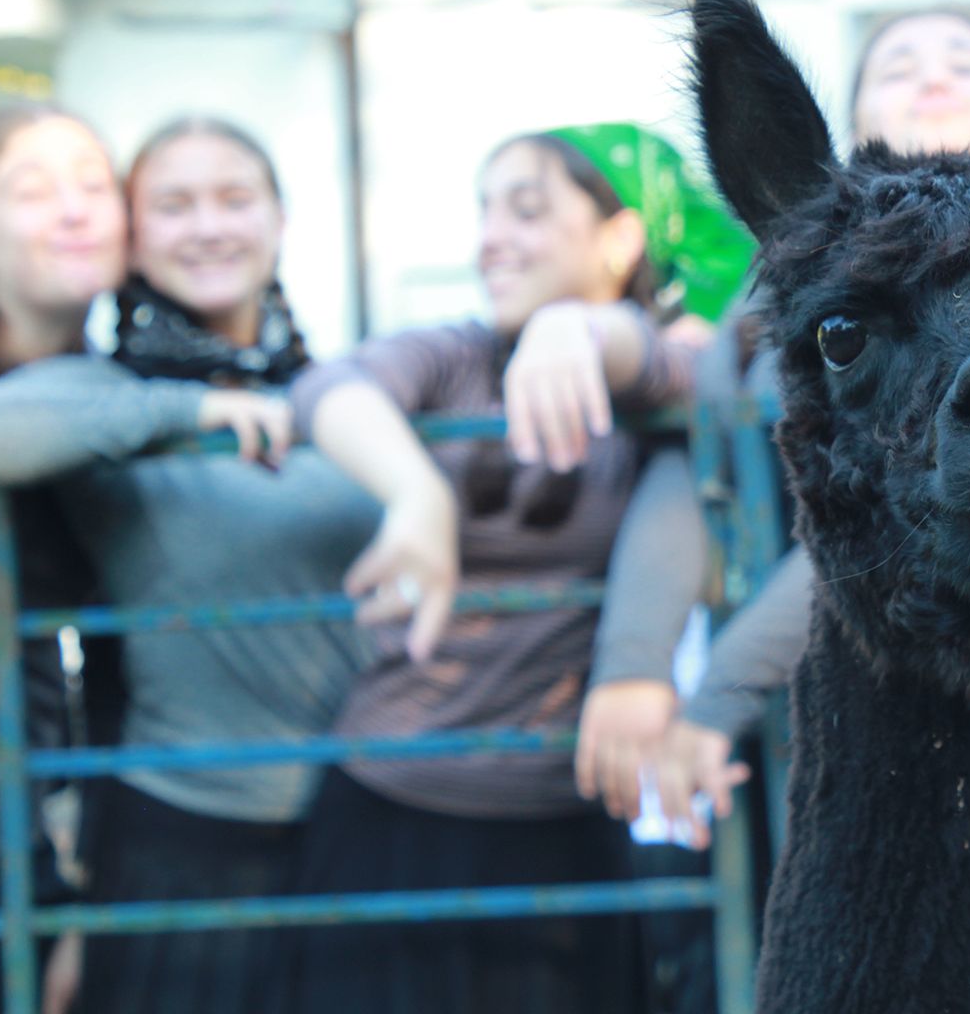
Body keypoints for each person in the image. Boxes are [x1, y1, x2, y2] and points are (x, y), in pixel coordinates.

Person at [653, 5, 970, 1006]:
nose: (934, 76)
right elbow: (677, 452)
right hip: (837, 690)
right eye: (899, 61)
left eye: (966, 55)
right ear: (855, 113)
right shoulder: (770, 301)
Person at [276, 129, 702, 1014]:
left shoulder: (660, 375)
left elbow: (705, 376)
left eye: (529, 208)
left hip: (564, 816)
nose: (491, 238)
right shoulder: (454, 355)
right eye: (485, 210)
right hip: (390, 804)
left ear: (619, 242)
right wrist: (416, 495)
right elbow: (327, 390)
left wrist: (585, 327)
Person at [0, 117, 379, 1014]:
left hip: (356, 824)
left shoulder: (334, 387)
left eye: (236, 198)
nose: (208, 226)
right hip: (159, 847)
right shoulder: (101, 400)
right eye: (173, 204)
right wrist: (187, 407)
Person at [0, 104, 126, 1013]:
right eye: (33, 190)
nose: (73, 209)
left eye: (95, 185)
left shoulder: (139, 397)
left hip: (69, 839)